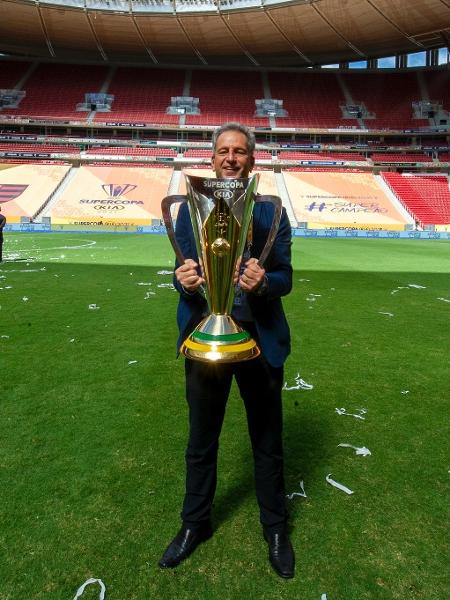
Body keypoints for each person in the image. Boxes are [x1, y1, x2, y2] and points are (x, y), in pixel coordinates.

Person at [159, 123, 294, 578]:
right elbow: (179, 272)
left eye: (239, 151)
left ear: (251, 161)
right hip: (205, 341)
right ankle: (194, 525)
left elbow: (286, 278)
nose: (231, 158)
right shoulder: (188, 212)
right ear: (212, 159)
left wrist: (265, 283)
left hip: (258, 343)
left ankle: (275, 529)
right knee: (200, 442)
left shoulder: (271, 212)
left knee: (268, 443)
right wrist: (182, 279)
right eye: (223, 151)